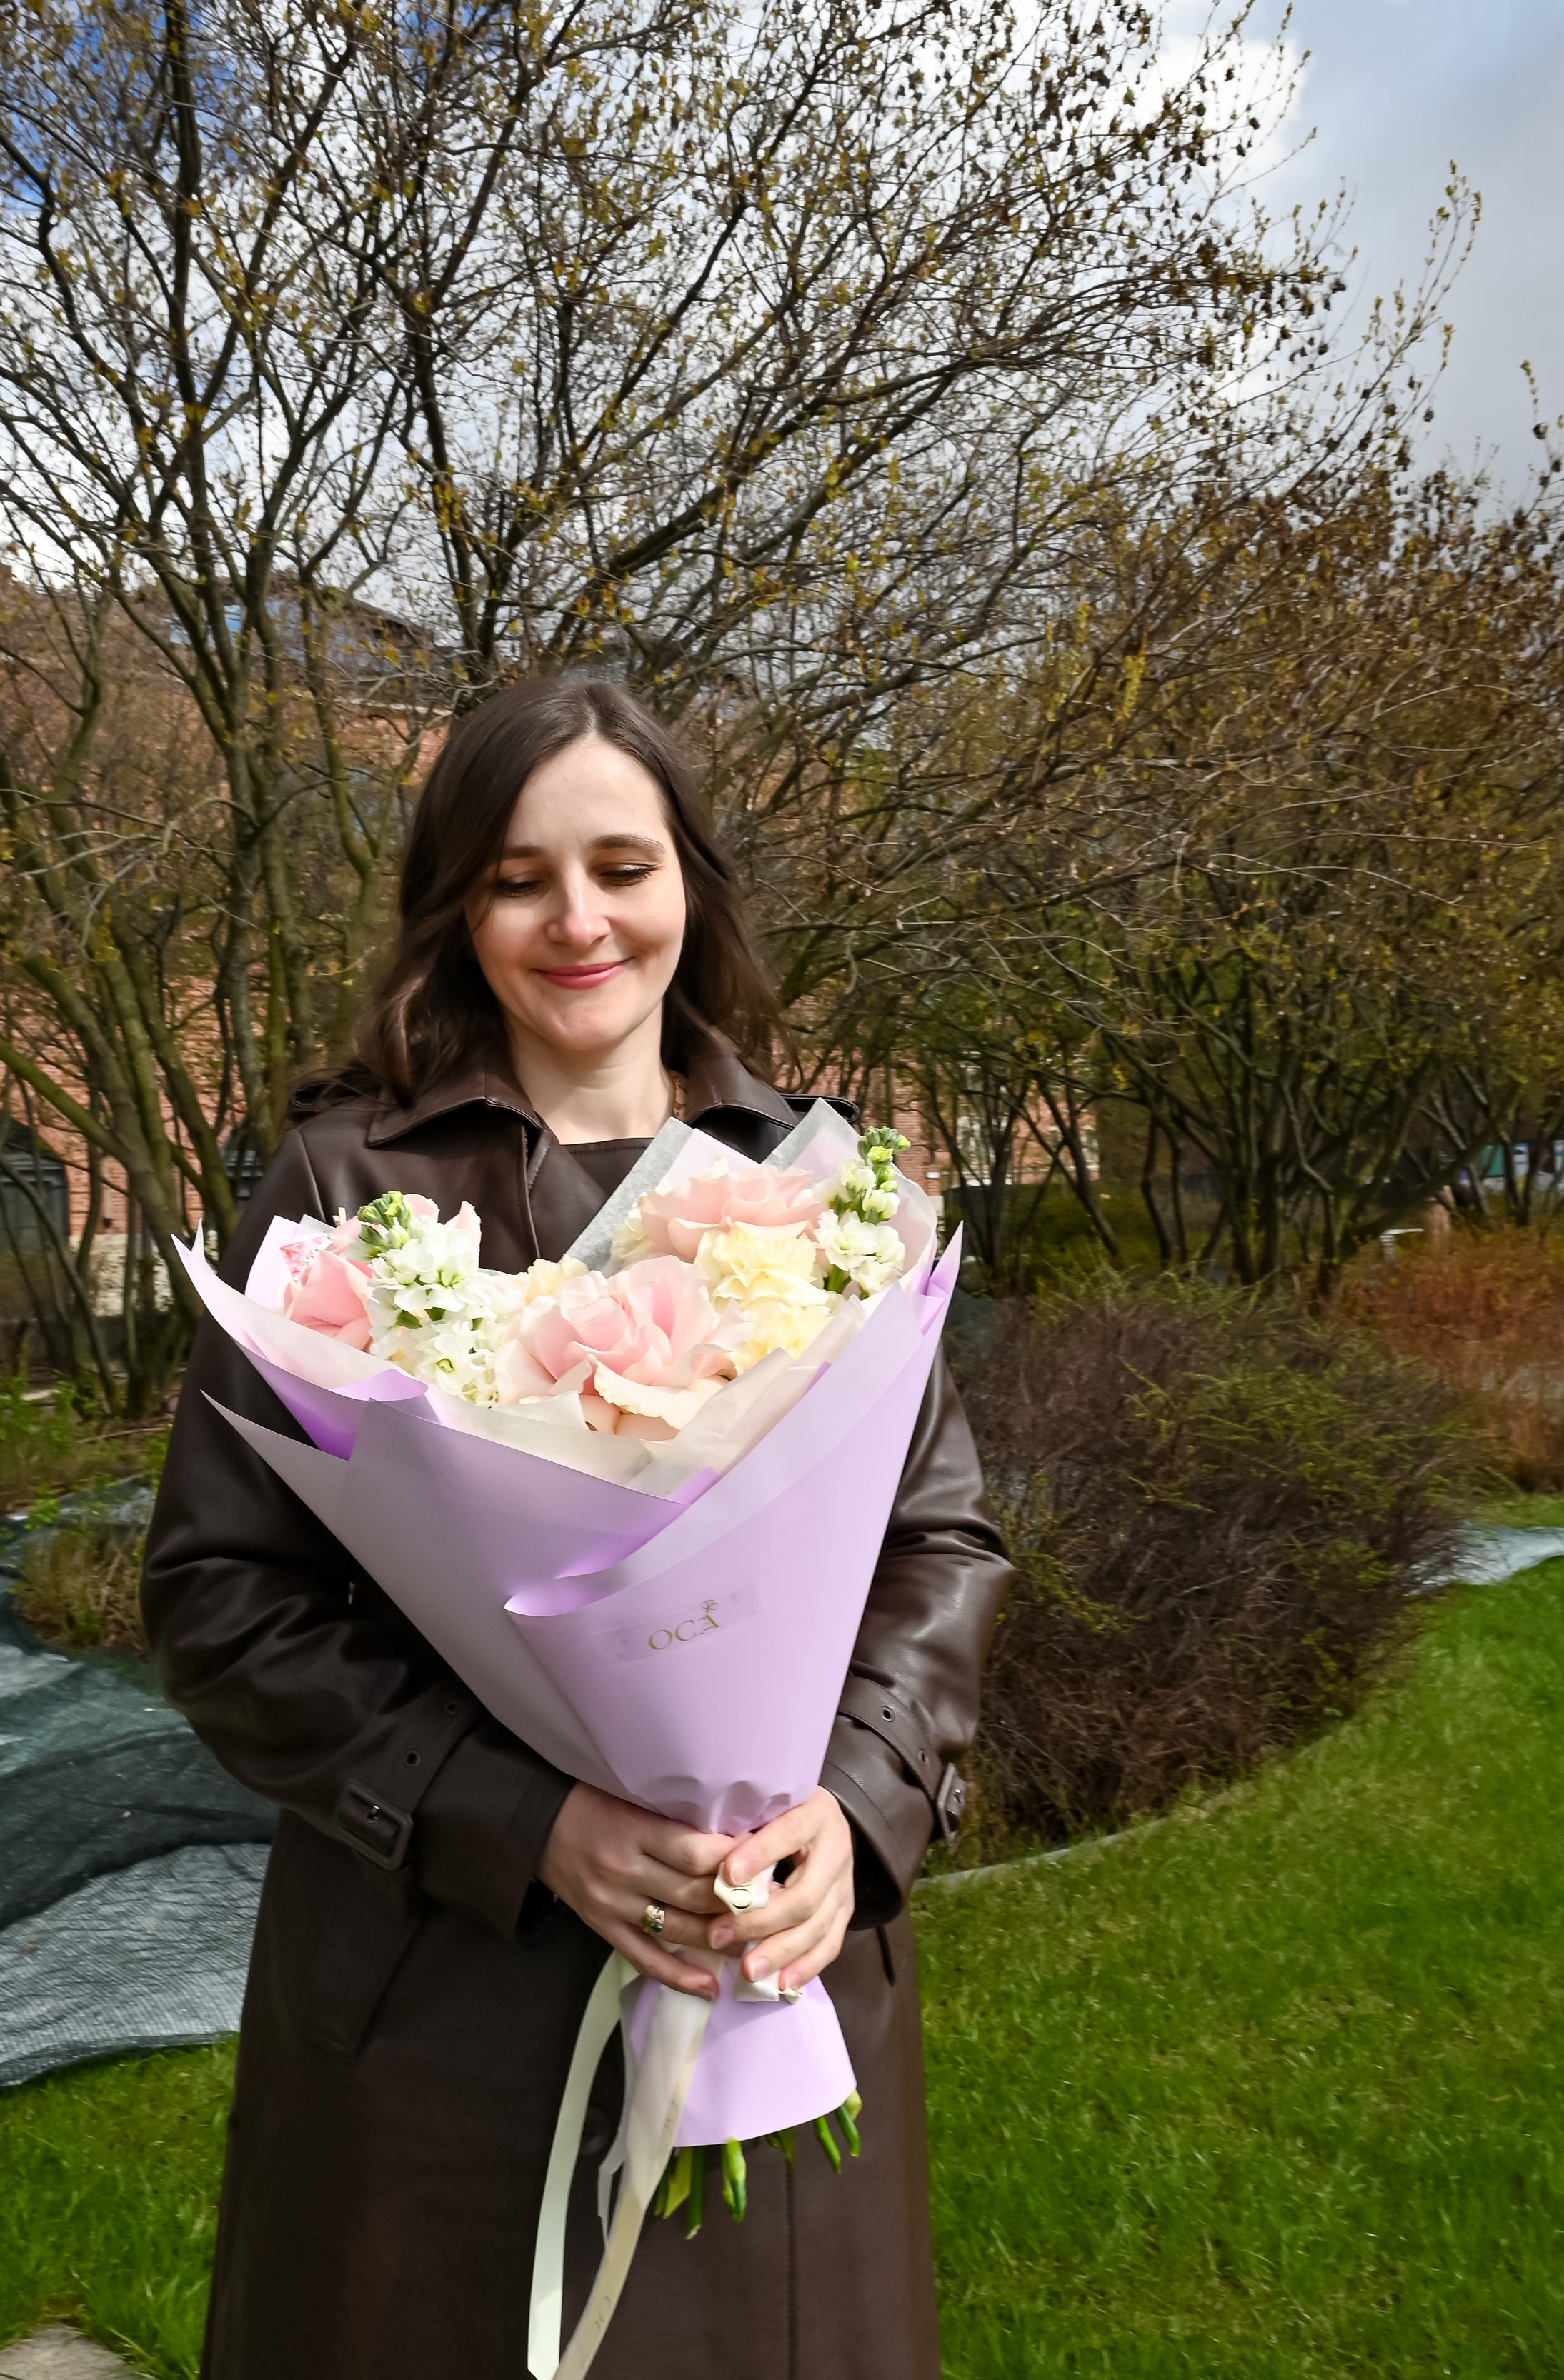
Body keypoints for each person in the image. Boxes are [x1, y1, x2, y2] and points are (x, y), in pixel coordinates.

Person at [141, 676, 1010, 2380]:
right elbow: (220, 1597)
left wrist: (860, 1802)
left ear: (690, 882)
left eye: (622, 864)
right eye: (520, 876)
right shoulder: (339, 1192)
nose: (578, 919)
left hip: (773, 1955)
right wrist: (520, 1821)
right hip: (441, 2005)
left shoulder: (827, 1193)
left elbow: (940, 1542)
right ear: (458, 905)